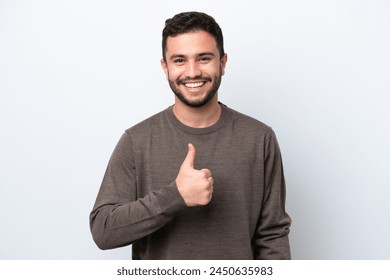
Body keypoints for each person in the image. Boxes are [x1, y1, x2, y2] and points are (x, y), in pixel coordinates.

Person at [90, 11, 291, 260]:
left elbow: (272, 236)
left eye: (204, 58)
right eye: (179, 60)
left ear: (223, 62)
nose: (193, 72)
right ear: (165, 67)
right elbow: (103, 230)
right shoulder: (136, 142)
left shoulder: (260, 139)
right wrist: (176, 196)